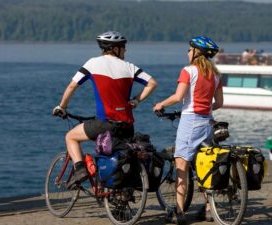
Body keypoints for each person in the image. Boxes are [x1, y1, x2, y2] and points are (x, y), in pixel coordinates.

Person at [53, 31, 158, 189]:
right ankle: (116, 195)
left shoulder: (92, 64)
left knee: (71, 137)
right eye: (123, 47)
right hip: (127, 126)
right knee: (121, 156)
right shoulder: (129, 67)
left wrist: (62, 107)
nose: (125, 51)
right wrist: (136, 100)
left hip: (105, 124)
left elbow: (72, 86)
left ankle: (80, 169)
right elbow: (152, 83)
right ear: (115, 48)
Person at [153, 36, 223, 224]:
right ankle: (209, 209)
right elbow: (220, 103)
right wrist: (206, 109)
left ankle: (180, 211)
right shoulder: (216, 75)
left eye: (189, 49)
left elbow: (178, 97)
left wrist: (160, 104)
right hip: (207, 122)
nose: (187, 52)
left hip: (190, 122)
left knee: (181, 166)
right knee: (204, 165)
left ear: (195, 52)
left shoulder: (188, 71)